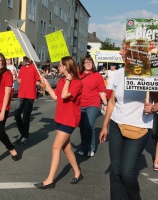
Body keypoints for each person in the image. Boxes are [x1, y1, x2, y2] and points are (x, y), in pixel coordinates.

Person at [99, 40, 158, 200]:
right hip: (116, 125)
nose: (120, 53)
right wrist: (104, 126)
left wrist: (153, 108)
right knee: (115, 173)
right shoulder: (119, 73)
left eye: (123, 49)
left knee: (127, 173)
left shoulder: (150, 74)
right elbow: (112, 102)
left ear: (135, 53)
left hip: (139, 129)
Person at [34, 56, 83, 189]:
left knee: (55, 147)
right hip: (60, 117)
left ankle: (50, 180)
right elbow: (56, 97)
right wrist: (47, 84)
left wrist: (68, 79)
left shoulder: (77, 83)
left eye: (60, 65)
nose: (58, 67)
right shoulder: (61, 80)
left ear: (65, 67)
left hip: (70, 119)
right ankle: (78, 172)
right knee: (66, 149)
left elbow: (65, 95)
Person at [77, 56, 107, 157]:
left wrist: (105, 104)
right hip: (80, 104)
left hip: (93, 103)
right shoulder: (78, 74)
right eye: (86, 62)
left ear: (92, 63)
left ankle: (91, 147)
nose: (88, 64)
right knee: (82, 126)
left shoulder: (97, 75)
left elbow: (101, 91)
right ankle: (83, 147)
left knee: (89, 125)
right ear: (83, 64)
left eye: (90, 62)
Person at [14, 56, 40, 144]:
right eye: (25, 58)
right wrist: (15, 77)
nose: (26, 60)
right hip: (21, 94)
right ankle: (22, 132)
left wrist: (38, 82)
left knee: (26, 117)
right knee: (16, 114)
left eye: (27, 58)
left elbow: (38, 81)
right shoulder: (22, 68)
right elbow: (20, 81)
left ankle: (25, 137)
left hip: (30, 95)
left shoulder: (34, 68)